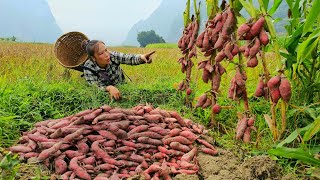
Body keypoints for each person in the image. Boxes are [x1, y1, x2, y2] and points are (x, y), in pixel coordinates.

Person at [81, 40, 155, 100]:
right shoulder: (88, 67)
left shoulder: (112, 56)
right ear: (93, 58)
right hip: (105, 94)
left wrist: (142, 57)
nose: (107, 54)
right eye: (101, 53)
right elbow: (94, 86)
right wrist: (109, 88)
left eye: (106, 50)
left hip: (122, 87)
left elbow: (128, 58)